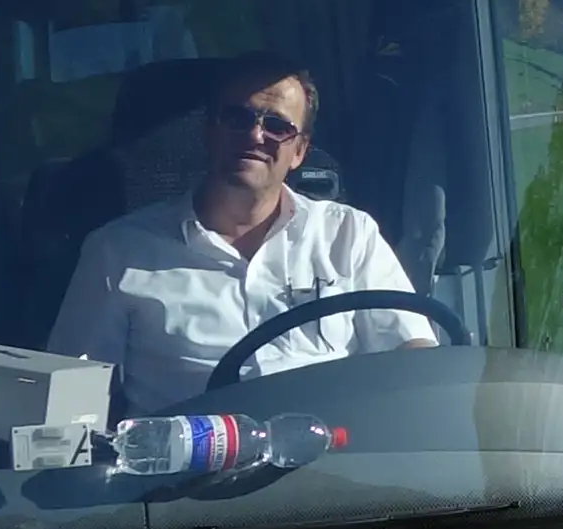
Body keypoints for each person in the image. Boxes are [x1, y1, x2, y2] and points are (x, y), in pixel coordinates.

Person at [47, 57, 436, 415]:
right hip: (180, 480)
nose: (254, 135)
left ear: (299, 151)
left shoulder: (350, 236)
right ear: (208, 132)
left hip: (332, 475)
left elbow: (414, 358)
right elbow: (70, 400)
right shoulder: (117, 251)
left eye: (277, 126)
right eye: (238, 118)